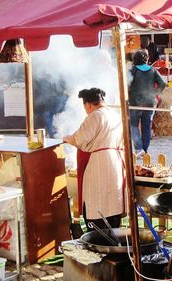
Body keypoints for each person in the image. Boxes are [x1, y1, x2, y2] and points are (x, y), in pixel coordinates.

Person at [63, 88, 125, 230]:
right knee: (112, 201)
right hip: (115, 162)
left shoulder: (95, 116)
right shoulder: (114, 114)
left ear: (88, 105)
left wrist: (67, 138)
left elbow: (80, 139)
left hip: (98, 163)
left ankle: (98, 237)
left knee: (97, 200)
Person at [129, 50, 166, 157]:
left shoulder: (132, 71)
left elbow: (126, 85)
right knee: (146, 127)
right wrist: (154, 93)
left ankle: (139, 148)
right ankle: (144, 150)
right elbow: (162, 84)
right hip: (150, 103)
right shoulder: (153, 70)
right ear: (147, 59)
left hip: (135, 103)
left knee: (133, 126)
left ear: (134, 60)